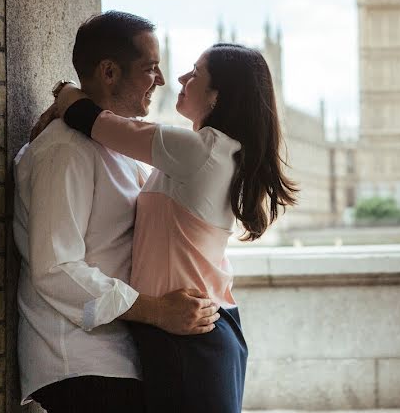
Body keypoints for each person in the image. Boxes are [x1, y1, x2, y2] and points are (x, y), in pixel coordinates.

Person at [52, 42, 297, 413]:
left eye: (196, 73)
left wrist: (62, 92)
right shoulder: (214, 152)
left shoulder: (198, 150)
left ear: (218, 96)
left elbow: (90, 119)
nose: (180, 78)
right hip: (197, 328)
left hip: (190, 336)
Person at [14, 12, 221, 413]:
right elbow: (55, 267)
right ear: (109, 72)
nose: (160, 81)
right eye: (150, 69)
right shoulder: (66, 150)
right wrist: (159, 311)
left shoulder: (115, 148)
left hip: (120, 361)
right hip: (81, 366)